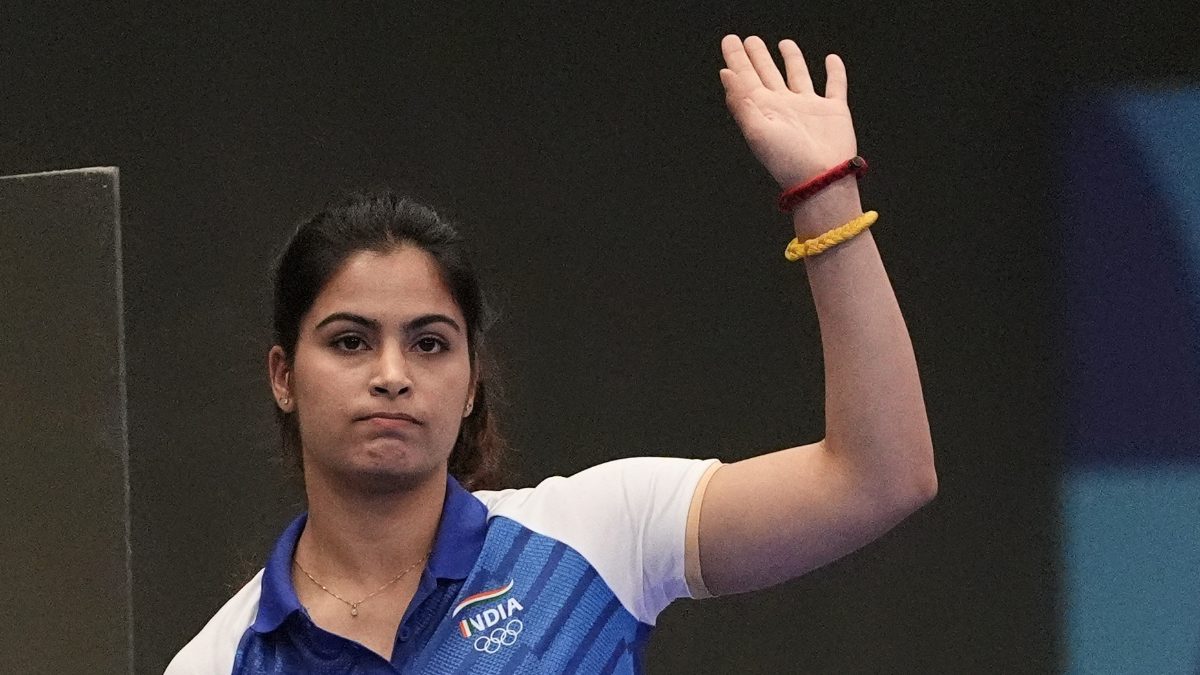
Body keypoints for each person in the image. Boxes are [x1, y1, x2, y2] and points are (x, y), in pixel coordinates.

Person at [165, 34, 937, 673]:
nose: (392, 375)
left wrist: (824, 193)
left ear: (470, 383)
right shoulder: (218, 661)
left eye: (430, 342)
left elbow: (878, 477)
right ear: (283, 376)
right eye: (350, 341)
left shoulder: (596, 535)